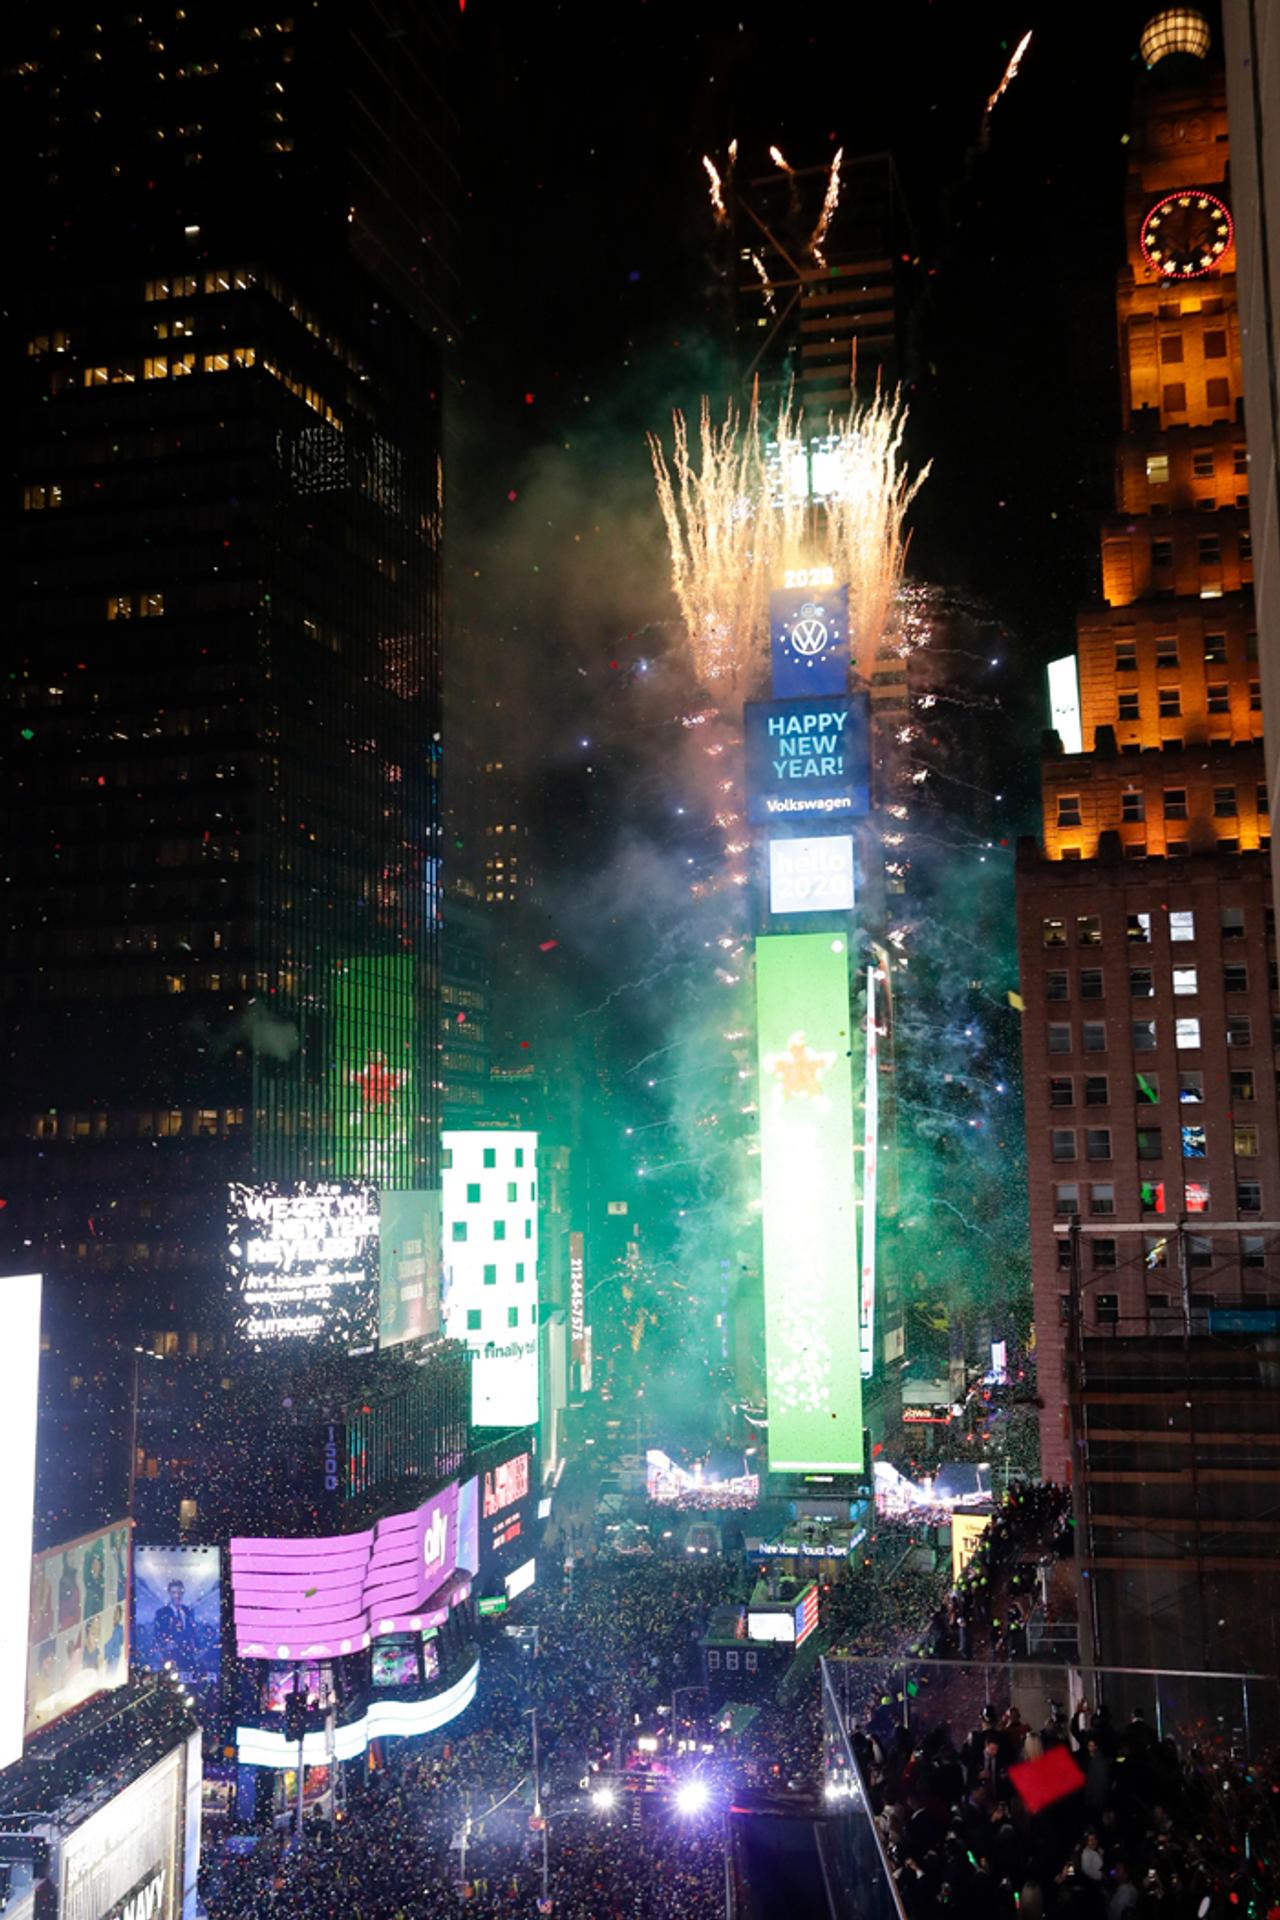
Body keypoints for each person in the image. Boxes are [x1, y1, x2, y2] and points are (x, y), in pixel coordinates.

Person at [152, 1578, 198, 1668]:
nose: (177, 1596)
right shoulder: (161, 1613)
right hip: (169, 1656)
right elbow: (157, 1634)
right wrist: (164, 1646)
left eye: (179, 1592)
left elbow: (193, 1632)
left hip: (187, 1656)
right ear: (169, 1593)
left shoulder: (188, 1611)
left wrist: (195, 1648)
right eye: (174, 1593)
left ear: (183, 1592)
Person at [57, 1551, 81, 1631]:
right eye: (70, 1556)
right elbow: (65, 1608)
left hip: (73, 1624)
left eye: (73, 1556)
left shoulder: (72, 1578)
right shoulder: (64, 1581)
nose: (72, 1559)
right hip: (67, 1625)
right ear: (65, 1559)